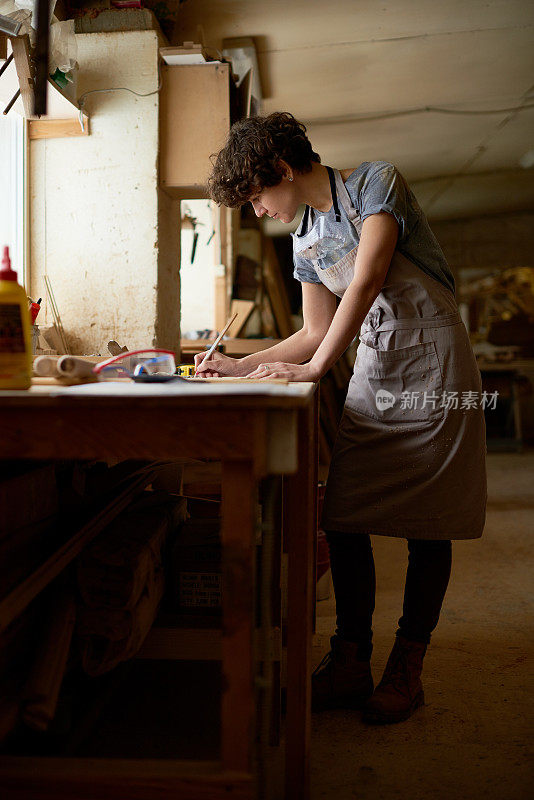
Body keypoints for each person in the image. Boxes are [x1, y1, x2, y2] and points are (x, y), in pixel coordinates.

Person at [196, 111, 487, 724]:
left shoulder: (376, 183)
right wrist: (240, 368)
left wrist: (315, 371)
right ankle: (351, 659)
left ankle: (408, 668)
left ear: (281, 169)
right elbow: (315, 331)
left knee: (429, 523)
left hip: (434, 365)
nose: (258, 211)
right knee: (345, 512)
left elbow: (370, 276)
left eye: (256, 197)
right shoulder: (303, 239)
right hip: (376, 368)